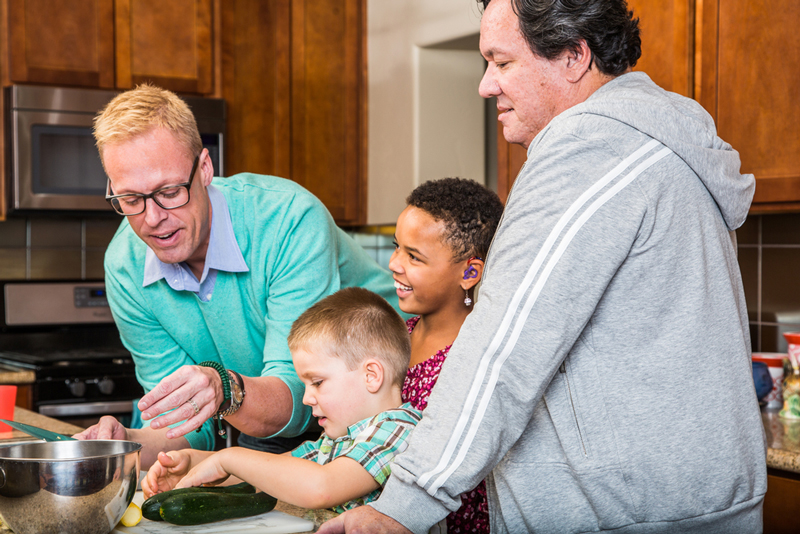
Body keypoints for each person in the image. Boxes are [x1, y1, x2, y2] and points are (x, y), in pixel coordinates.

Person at [319, 0, 766, 532]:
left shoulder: (588, 151)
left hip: (618, 519)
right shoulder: (654, 147)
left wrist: (404, 503)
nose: (486, 85)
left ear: (574, 56)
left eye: (502, 62)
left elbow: (502, 348)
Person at [73, 84, 401, 469]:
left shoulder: (288, 220)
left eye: (169, 191)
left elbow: (298, 399)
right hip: (279, 428)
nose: (152, 218)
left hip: (388, 396)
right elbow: (188, 422)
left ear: (205, 168)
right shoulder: (125, 266)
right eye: (130, 200)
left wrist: (222, 389)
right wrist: (126, 444)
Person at [142, 287, 422, 512]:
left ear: (371, 375)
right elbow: (272, 471)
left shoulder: (398, 431)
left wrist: (228, 458)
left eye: (318, 382)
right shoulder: (339, 440)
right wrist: (194, 462)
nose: (307, 398)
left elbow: (321, 487)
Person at [390, 177, 503, 534]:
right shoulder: (397, 335)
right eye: (397, 248)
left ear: (469, 272)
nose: (394, 264)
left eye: (414, 257)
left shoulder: (472, 356)